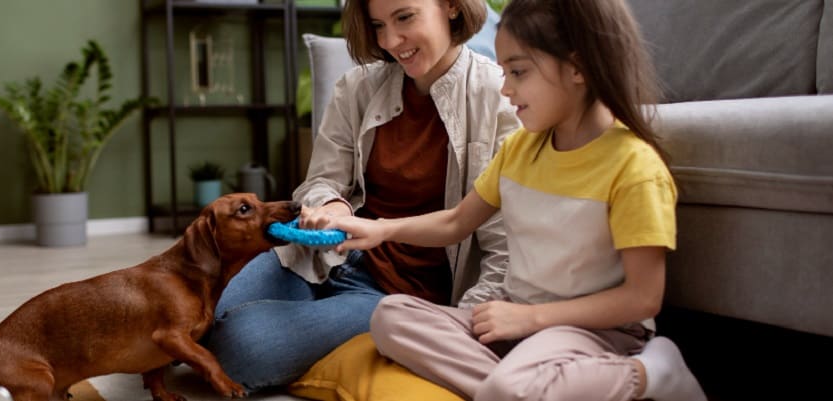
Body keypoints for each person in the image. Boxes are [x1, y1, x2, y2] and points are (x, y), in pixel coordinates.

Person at [329, 0, 707, 400]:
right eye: (505, 72)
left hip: (592, 331)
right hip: (516, 318)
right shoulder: (523, 149)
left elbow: (642, 298)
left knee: (508, 388)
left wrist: (531, 318)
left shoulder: (634, 168)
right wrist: (379, 230)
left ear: (578, 68)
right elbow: (457, 222)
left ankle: (648, 373)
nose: (505, 88)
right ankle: (527, 388)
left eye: (519, 72)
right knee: (390, 318)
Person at [201, 0, 520, 392]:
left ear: (452, 7)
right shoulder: (358, 87)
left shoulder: (499, 100)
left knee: (241, 350)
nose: (389, 40)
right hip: (324, 257)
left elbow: (504, 247)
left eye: (404, 18)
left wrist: (459, 326)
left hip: (394, 294)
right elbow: (319, 182)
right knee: (192, 301)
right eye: (377, 25)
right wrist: (331, 203)